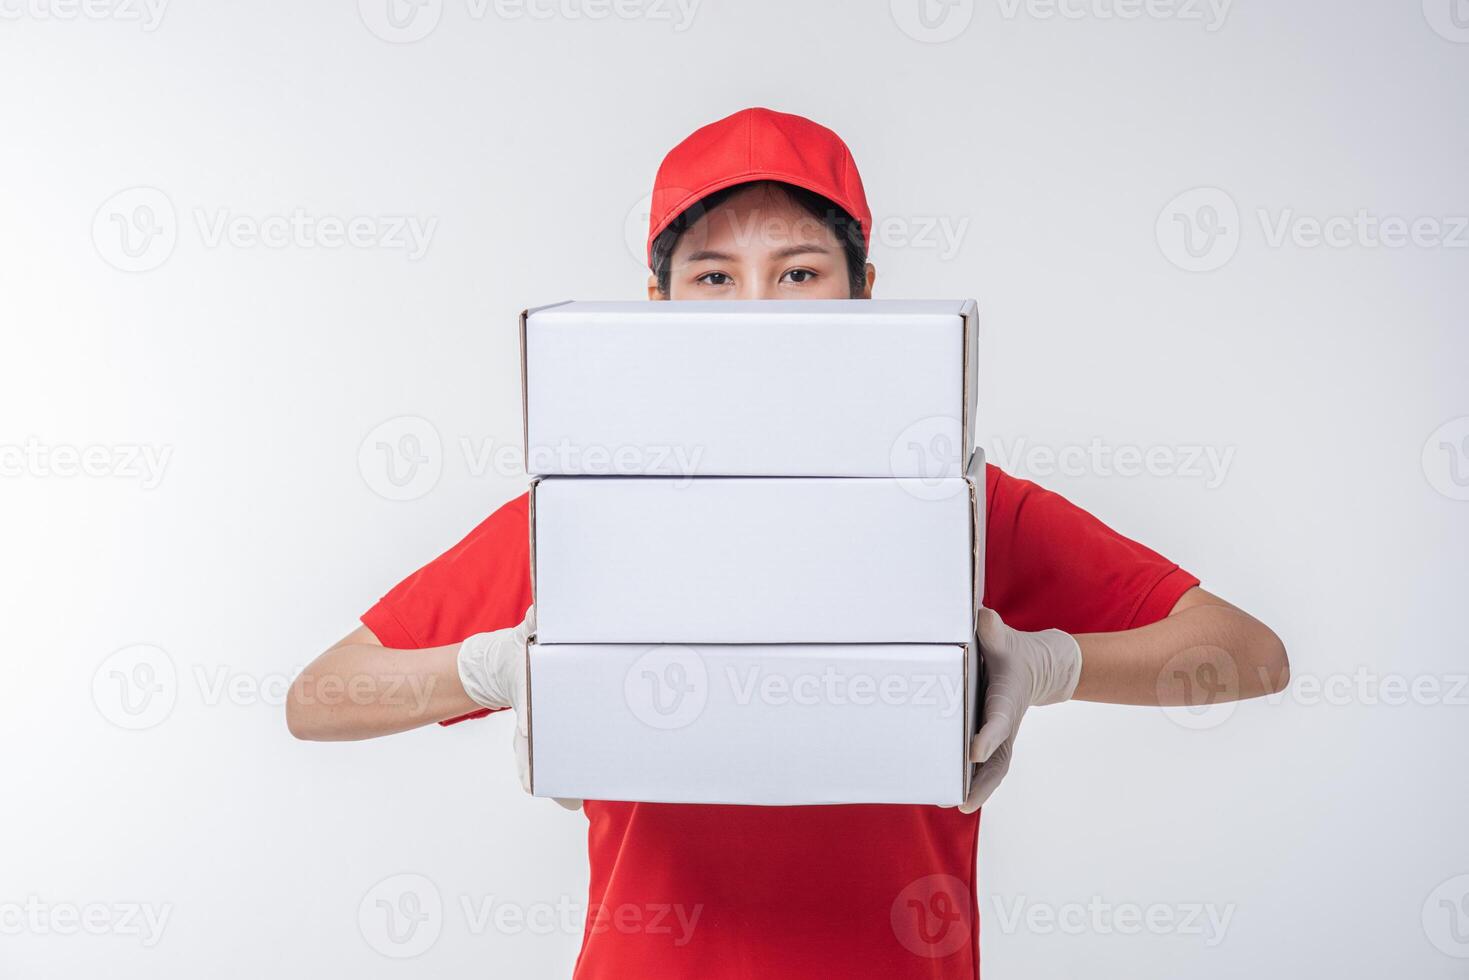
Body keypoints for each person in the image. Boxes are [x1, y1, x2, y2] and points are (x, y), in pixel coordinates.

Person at [287, 107, 1289, 979]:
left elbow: (1246, 652)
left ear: (863, 293)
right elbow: (321, 695)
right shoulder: (585, 514)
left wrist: (1048, 662)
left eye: (797, 271)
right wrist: (494, 666)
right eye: (714, 274)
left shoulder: (965, 508)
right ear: (658, 306)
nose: (756, 309)